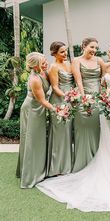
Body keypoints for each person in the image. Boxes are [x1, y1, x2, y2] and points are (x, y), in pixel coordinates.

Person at [36, 42, 110, 212]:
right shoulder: (106, 68)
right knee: (107, 140)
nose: (107, 54)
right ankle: (107, 167)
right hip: (106, 109)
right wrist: (106, 101)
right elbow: (103, 86)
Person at [16, 52, 54, 188]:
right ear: (36, 66)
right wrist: (57, 110)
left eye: (45, 61)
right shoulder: (35, 79)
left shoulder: (44, 72)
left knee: (39, 139)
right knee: (32, 139)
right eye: (43, 63)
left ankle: (39, 169)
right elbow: (42, 100)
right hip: (32, 109)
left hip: (40, 108)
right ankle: (30, 174)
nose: (46, 64)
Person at [72, 37, 105, 172]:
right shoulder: (76, 61)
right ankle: (81, 163)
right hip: (83, 97)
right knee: (82, 129)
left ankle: (95, 161)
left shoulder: (100, 61)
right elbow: (78, 81)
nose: (94, 50)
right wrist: (84, 98)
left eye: (96, 48)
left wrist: (103, 97)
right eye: (92, 47)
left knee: (96, 129)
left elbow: (104, 79)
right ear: (84, 46)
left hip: (98, 99)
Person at [47, 41, 74, 176]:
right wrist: (67, 97)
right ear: (54, 53)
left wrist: (74, 96)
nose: (65, 54)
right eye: (62, 52)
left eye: (66, 51)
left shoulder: (69, 63)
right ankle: (56, 167)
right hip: (59, 100)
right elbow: (55, 87)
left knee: (68, 132)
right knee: (59, 133)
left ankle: (67, 165)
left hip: (70, 99)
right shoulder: (53, 67)